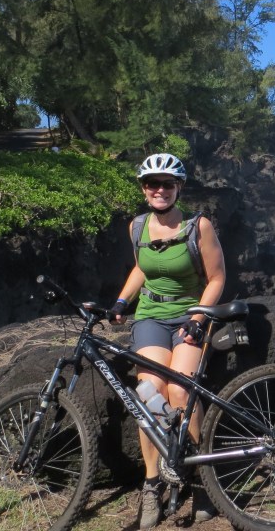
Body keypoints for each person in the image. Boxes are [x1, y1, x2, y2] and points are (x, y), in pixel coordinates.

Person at [109, 153, 226, 529]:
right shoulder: (137, 226)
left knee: (179, 390)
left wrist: (198, 319)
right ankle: (152, 483)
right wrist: (122, 301)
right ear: (144, 189)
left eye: (167, 184)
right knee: (149, 393)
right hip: (151, 318)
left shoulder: (198, 226)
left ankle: (203, 479)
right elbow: (141, 268)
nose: (159, 190)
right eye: (152, 183)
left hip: (190, 317)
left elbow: (217, 279)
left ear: (179, 188)